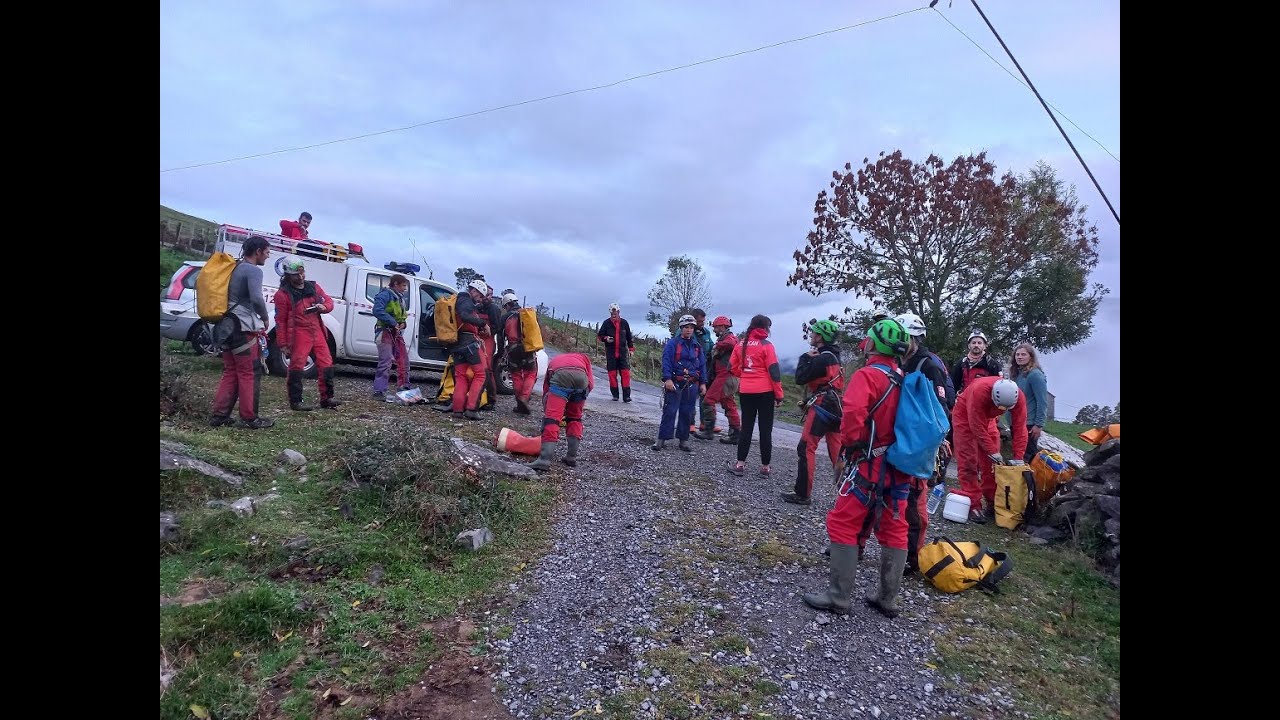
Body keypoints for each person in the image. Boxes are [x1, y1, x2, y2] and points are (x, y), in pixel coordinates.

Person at [803, 318, 912, 618]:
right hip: (899, 466)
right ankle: (887, 599)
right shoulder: (903, 377)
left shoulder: (868, 376)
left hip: (869, 463)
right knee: (895, 526)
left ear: (873, 343)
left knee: (843, 522)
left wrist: (850, 448)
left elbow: (852, 416)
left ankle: (838, 596)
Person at [894, 312, 952, 575]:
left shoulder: (929, 366)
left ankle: (913, 556)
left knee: (915, 500)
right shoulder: (900, 362)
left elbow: (940, 408)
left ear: (914, 338)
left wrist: (931, 445)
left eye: (903, 336)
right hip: (900, 437)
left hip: (920, 443)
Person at [209, 235, 274, 429]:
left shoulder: (234, 267)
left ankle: (219, 416)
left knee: (230, 371)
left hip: (226, 325)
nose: (268, 256)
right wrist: (265, 317)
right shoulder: (253, 270)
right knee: (249, 372)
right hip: (242, 326)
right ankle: (250, 417)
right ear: (258, 252)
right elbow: (256, 298)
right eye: (267, 252)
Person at [782, 319, 845, 505]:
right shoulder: (835, 356)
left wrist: (805, 357)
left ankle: (803, 494)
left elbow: (800, 378)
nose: (811, 335)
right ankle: (849, 495)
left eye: (814, 333)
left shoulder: (822, 358)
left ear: (820, 337)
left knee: (806, 447)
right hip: (837, 405)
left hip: (822, 404)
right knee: (837, 452)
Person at [953, 376, 1028, 523]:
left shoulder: (1019, 397)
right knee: (968, 461)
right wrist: (992, 450)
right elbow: (976, 426)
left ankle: (993, 502)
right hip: (965, 415)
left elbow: (1020, 427)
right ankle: (973, 503)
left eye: (1006, 409)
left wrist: (1019, 457)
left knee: (993, 465)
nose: (1003, 410)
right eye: (1001, 407)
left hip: (989, 419)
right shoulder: (979, 391)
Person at [273, 258, 341, 411]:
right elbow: (280, 320)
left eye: (302, 272)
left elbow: (329, 302)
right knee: (297, 365)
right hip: (299, 332)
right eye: (296, 274)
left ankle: (327, 398)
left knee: (326, 362)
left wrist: (323, 307)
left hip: (316, 329)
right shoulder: (282, 295)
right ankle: (296, 401)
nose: (300, 277)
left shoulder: (314, 287)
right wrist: (283, 344)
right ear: (288, 275)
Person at [727, 315, 784, 476]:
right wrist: (779, 395)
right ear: (765, 328)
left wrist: (744, 375)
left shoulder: (740, 344)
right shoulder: (767, 345)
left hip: (746, 391)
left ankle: (740, 464)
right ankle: (765, 467)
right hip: (765, 392)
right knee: (765, 430)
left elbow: (731, 367)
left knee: (746, 428)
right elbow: (774, 372)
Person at [652, 315, 707, 452]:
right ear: (681, 328)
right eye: (686, 327)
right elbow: (666, 362)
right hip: (675, 383)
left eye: (691, 327)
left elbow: (702, 366)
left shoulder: (697, 347)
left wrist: (703, 383)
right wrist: (667, 379)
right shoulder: (672, 344)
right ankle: (661, 439)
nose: (689, 330)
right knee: (670, 411)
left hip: (691, 384)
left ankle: (683, 440)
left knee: (687, 412)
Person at [530, 352, 593, 470]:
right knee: (575, 418)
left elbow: (546, 390)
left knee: (552, 419)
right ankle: (571, 457)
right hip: (581, 379)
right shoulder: (584, 358)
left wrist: (548, 411)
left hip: (561, 375)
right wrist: (580, 398)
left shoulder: (555, 361)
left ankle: (544, 460)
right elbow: (590, 383)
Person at [449, 279, 491, 420]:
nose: (480, 300)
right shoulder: (465, 300)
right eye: (480, 296)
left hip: (457, 343)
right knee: (481, 375)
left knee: (461, 376)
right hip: (469, 343)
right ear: (473, 290)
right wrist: (483, 324)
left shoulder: (459, 300)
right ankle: (471, 409)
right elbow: (465, 316)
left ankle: (457, 410)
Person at [697, 316, 742, 445]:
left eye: (716, 327)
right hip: (728, 377)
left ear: (722, 327)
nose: (714, 330)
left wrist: (718, 346)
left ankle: (709, 431)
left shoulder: (730, 338)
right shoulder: (726, 338)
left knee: (708, 401)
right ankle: (735, 434)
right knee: (729, 405)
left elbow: (732, 343)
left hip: (725, 376)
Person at [371, 274, 411, 398]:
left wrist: (403, 324)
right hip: (384, 331)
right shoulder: (385, 295)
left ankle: (404, 388)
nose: (405, 289)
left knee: (403, 360)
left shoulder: (400, 298)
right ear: (395, 284)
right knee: (386, 361)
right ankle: (379, 391)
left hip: (396, 333)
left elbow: (402, 316)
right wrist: (393, 322)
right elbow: (377, 310)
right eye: (403, 285)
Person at [1008, 342, 1048, 463]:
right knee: (1018, 456)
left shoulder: (1035, 375)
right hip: (1015, 421)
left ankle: (1033, 476)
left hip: (1029, 424)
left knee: (1028, 457)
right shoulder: (1017, 374)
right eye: (1017, 354)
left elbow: (1042, 401)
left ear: (1031, 356)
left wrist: (1039, 424)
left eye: (1023, 354)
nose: (1020, 357)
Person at [498, 292, 538, 414]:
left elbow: (500, 336)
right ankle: (524, 398)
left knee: (516, 374)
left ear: (507, 305)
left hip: (513, 349)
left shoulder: (505, 317)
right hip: (528, 348)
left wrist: (500, 352)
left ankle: (519, 401)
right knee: (531, 373)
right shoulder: (527, 314)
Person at [596, 303, 635, 402]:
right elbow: (600, 336)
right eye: (612, 314)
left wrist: (631, 349)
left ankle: (626, 396)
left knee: (625, 374)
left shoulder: (624, 323)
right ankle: (615, 395)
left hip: (622, 353)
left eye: (615, 313)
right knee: (612, 374)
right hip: (611, 353)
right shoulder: (606, 323)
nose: (614, 315)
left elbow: (629, 337)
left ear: (618, 312)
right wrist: (606, 338)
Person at [691, 309, 717, 435]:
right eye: (700, 321)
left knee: (704, 396)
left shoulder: (706, 332)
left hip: (705, 368)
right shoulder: (686, 330)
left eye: (703, 321)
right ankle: (690, 423)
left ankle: (704, 423)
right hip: (691, 368)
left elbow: (711, 346)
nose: (702, 323)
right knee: (690, 396)